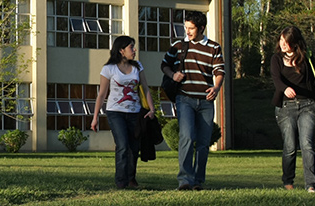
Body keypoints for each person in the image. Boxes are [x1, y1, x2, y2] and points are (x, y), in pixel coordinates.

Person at [160, 11, 224, 191]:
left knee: (203, 143)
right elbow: (164, 65)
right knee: (187, 137)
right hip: (185, 98)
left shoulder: (214, 47)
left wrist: (216, 87)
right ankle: (185, 180)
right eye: (185, 27)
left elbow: (220, 71)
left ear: (201, 28)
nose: (187, 31)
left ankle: (198, 181)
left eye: (191, 28)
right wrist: (173, 75)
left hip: (205, 101)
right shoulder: (179, 46)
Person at [270, 26, 315, 193]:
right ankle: (288, 181)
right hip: (285, 107)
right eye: (281, 40)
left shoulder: (307, 57)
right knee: (290, 146)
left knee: (307, 144)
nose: (282, 44)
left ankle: (311, 185)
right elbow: (276, 79)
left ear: (295, 42)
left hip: (308, 106)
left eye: (286, 41)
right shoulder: (276, 59)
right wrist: (285, 89)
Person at [92, 35, 156, 189]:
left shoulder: (138, 66)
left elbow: (145, 88)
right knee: (122, 145)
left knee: (134, 147)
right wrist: (95, 117)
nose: (134, 50)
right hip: (115, 112)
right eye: (131, 47)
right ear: (121, 50)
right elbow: (102, 94)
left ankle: (131, 179)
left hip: (135, 112)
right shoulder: (109, 69)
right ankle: (121, 181)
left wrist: (152, 109)